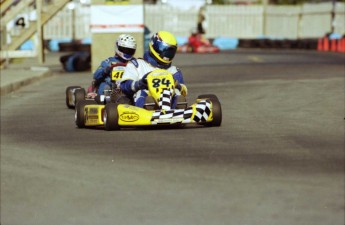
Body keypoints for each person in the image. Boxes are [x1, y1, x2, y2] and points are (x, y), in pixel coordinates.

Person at [120, 31, 187, 108]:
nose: (167, 54)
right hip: (143, 107)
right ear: (154, 46)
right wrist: (139, 84)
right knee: (141, 92)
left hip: (169, 102)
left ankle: (178, 108)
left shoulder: (173, 70)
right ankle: (148, 107)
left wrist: (177, 85)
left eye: (170, 51)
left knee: (177, 92)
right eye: (165, 50)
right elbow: (124, 86)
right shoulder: (137, 65)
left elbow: (184, 90)